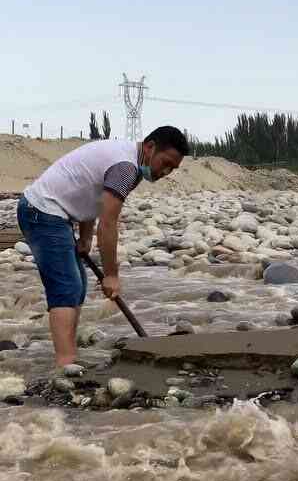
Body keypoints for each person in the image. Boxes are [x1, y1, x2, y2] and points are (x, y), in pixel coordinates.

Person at [17, 126, 189, 370]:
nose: (166, 172)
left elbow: (93, 195)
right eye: (166, 163)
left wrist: (85, 240)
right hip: (42, 211)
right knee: (66, 287)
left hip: (56, 213)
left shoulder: (131, 162)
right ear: (150, 147)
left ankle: (69, 354)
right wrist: (111, 275)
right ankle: (65, 365)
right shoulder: (125, 167)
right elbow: (108, 224)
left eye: (173, 168)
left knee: (78, 286)